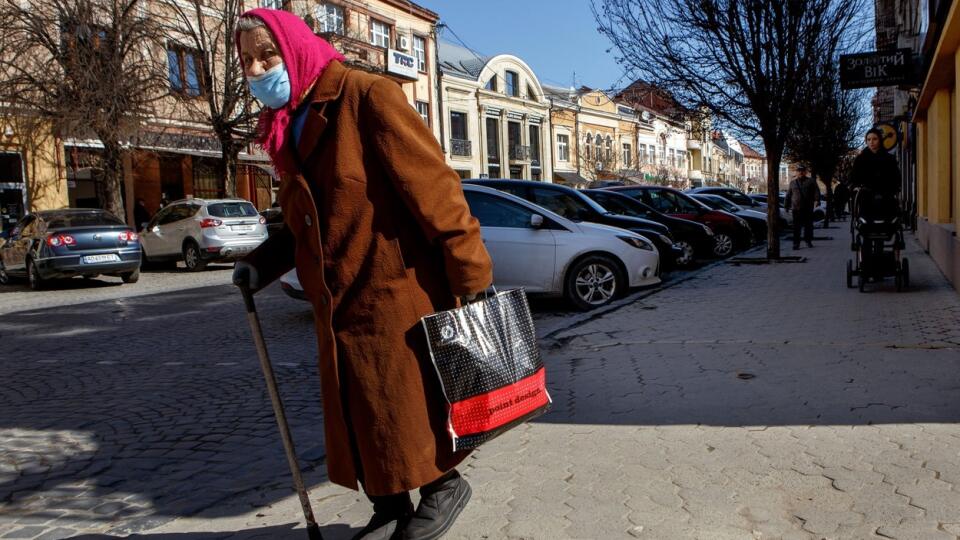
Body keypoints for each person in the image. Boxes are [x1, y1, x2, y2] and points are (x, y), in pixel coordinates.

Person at [230, 9, 493, 540]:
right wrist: (258, 266)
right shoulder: (289, 124)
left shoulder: (365, 95)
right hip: (337, 300)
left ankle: (444, 487)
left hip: (393, 290)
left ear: (296, 49)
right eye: (248, 62)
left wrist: (470, 275)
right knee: (364, 407)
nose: (258, 70)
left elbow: (437, 191)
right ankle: (389, 503)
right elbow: (305, 222)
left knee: (405, 404)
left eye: (268, 55)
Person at [785, 164, 820, 249]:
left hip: (808, 207)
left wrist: (817, 200)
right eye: (799, 171)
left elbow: (816, 191)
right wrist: (786, 205)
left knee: (808, 226)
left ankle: (808, 241)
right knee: (796, 227)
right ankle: (796, 243)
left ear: (805, 172)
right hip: (796, 208)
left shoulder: (811, 181)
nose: (800, 172)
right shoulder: (793, 182)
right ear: (796, 172)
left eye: (802, 171)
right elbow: (788, 195)